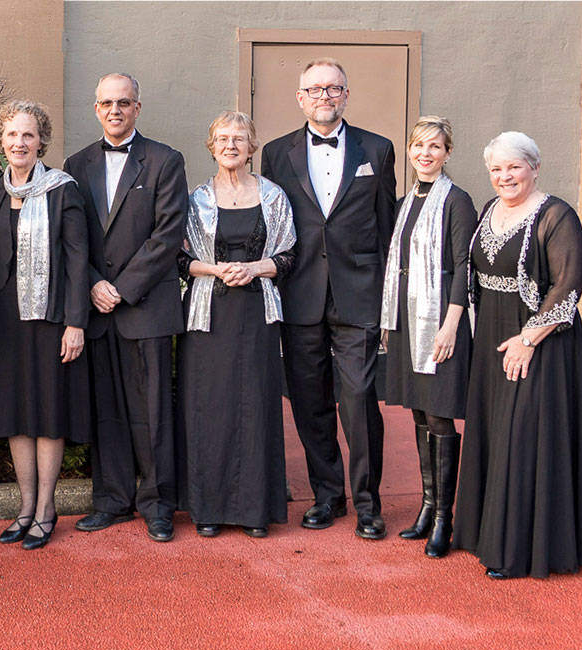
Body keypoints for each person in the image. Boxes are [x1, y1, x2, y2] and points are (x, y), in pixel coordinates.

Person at [452, 132, 582, 579]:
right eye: (496, 169)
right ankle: (485, 533)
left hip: (541, 343)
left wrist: (527, 339)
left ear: (534, 167)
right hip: (492, 339)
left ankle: (520, 548)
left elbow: (567, 286)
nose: (505, 176)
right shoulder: (488, 210)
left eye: (514, 167)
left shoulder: (557, 215)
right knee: (496, 431)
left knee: (525, 436)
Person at [259, 58, 397, 539]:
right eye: (314, 89)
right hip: (300, 294)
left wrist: (385, 300)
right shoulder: (276, 153)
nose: (324, 96)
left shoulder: (377, 150)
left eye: (333, 88)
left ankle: (368, 503)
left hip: (358, 295)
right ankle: (327, 495)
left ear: (346, 94)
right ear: (300, 98)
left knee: (358, 399)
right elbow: (275, 226)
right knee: (309, 402)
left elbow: (385, 231)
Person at [65, 73, 188, 542]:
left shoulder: (165, 160)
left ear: (138, 107)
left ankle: (158, 504)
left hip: (146, 307)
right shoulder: (76, 164)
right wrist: (95, 283)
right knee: (108, 410)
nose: (115, 110)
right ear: (96, 109)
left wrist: (121, 287)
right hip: (96, 309)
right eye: (107, 103)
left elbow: (167, 234)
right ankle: (112, 500)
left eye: (124, 102)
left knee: (154, 409)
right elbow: (72, 237)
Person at [0, 101, 90, 550]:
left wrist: (75, 323)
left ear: (41, 140)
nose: (19, 143)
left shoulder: (64, 190)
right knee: (15, 415)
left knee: (46, 413)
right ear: (1, 141)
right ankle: (24, 508)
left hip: (51, 319)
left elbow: (79, 262)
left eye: (27, 135)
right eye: (11, 135)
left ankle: (46, 509)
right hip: (4, 320)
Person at [177, 111, 295, 539]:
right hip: (208, 318)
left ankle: (254, 511)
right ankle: (207, 509)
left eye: (239, 138)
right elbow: (180, 259)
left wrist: (255, 268)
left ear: (251, 147)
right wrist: (214, 270)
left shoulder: (274, 196)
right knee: (209, 408)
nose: (231, 145)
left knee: (255, 405)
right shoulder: (196, 199)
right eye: (223, 138)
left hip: (257, 316)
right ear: (212, 146)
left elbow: (288, 256)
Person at [378, 116, 477, 557]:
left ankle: (444, 519)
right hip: (406, 318)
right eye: (419, 146)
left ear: (448, 153)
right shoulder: (404, 203)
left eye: (435, 147)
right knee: (419, 414)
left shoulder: (457, 201)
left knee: (439, 415)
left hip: (440, 321)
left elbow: (463, 267)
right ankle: (426, 507)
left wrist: (452, 324)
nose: (425, 154)